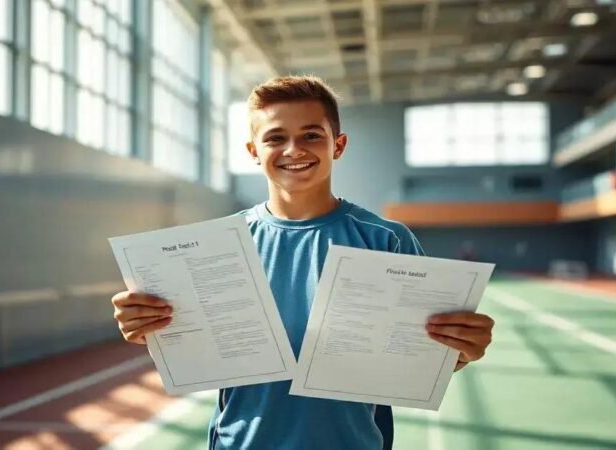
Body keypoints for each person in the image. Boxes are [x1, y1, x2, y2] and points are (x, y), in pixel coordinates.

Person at [110, 75, 495, 450]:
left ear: (338, 145)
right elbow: (184, 342)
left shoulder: (386, 240)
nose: (294, 149)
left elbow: (424, 360)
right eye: (276, 138)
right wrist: (146, 323)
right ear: (253, 152)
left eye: (311, 135)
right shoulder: (215, 246)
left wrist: (459, 349)